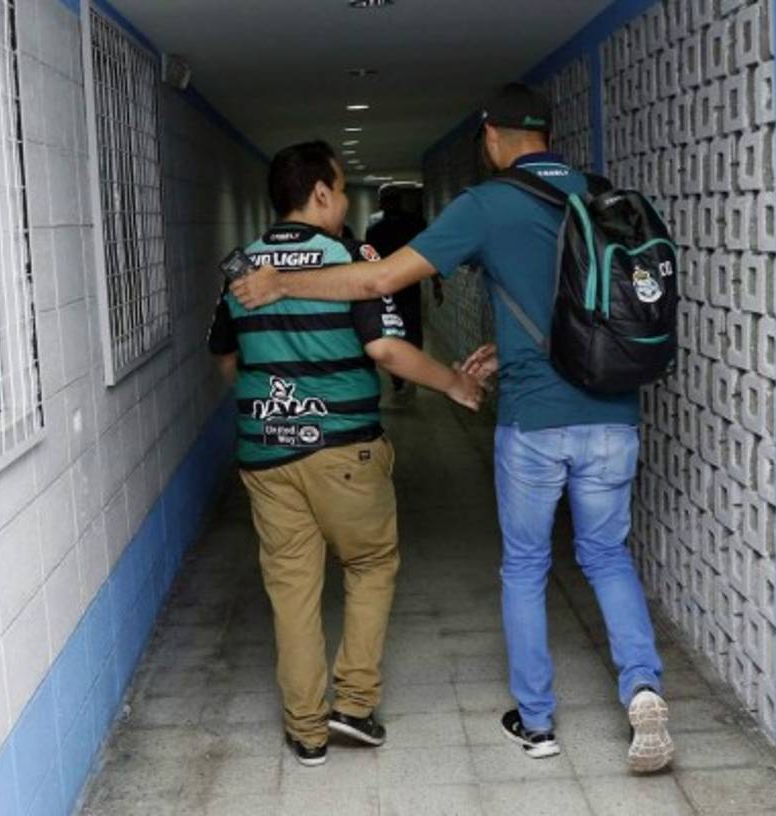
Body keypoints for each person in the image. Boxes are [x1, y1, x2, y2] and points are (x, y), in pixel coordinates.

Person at [229, 86, 675, 774]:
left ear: (493, 137)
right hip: (614, 415)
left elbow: (379, 278)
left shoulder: (488, 203)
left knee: (526, 567)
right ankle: (643, 689)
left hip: (533, 422)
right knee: (607, 556)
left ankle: (536, 723)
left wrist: (286, 285)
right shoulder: (600, 195)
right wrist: (509, 348)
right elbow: (584, 304)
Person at [208, 140, 485, 767]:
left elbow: (226, 357)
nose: (342, 202)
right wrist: (452, 382)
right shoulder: (350, 261)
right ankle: (354, 707)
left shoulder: (242, 268)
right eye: (339, 188)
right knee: (369, 566)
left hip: (266, 455)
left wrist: (273, 400)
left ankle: (306, 731)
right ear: (322, 193)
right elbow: (386, 351)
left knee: (292, 589)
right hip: (346, 451)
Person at [366, 186, 427, 397]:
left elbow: (370, 264)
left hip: (388, 290)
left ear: (382, 205)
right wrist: (437, 284)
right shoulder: (415, 224)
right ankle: (414, 372)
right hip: (411, 286)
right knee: (413, 330)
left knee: (392, 332)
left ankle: (398, 378)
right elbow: (430, 255)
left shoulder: (374, 231)